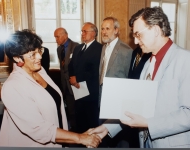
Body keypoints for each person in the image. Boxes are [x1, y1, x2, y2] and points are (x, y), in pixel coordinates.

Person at [91, 6, 190, 148]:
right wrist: (107, 128)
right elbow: (136, 107)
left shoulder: (185, 60)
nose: (136, 42)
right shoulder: (147, 64)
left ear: (156, 30)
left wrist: (149, 124)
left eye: (138, 35)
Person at [0, 29, 101, 147]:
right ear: (17, 58)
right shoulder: (13, 86)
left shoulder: (40, 71)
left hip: (56, 140)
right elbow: (38, 129)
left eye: (39, 51)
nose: (39, 56)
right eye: (32, 54)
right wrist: (79, 137)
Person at [98, 17, 133, 147]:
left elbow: (129, 78)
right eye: (102, 29)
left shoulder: (126, 50)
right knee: (105, 132)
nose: (104, 32)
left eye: (108, 28)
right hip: (103, 97)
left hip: (118, 100)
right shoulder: (104, 48)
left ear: (116, 30)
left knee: (119, 136)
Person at [68, 22, 102, 136]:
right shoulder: (78, 48)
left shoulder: (100, 49)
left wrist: (78, 78)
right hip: (78, 91)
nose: (82, 34)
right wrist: (72, 78)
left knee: (91, 124)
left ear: (93, 33)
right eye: (82, 31)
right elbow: (70, 65)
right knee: (80, 123)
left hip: (91, 93)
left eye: (85, 31)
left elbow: (95, 70)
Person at [54, 27, 79, 132]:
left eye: (57, 36)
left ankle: (81, 128)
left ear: (65, 35)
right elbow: (63, 68)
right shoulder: (59, 49)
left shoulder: (77, 47)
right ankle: (73, 128)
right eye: (55, 37)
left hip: (76, 83)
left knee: (79, 108)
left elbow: (79, 66)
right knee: (70, 109)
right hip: (66, 84)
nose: (56, 39)